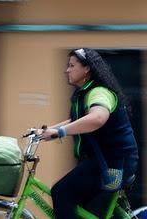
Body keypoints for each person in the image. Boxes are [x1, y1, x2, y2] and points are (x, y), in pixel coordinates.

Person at [36, 48, 139, 219]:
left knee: (61, 192)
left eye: (72, 65)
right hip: (104, 160)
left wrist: (59, 132)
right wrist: (46, 131)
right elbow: (77, 121)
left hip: (114, 164)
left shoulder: (98, 92)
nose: (67, 70)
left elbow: (97, 118)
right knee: (84, 209)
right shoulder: (85, 93)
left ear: (86, 69)